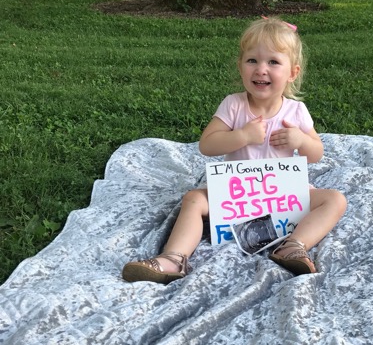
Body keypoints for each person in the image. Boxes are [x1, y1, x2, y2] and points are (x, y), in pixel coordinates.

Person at [122, 17, 347, 284]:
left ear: (292, 73)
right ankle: (174, 258)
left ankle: (293, 246)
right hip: (236, 197)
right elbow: (207, 145)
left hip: (282, 198)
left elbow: (316, 154)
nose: (261, 70)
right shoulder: (234, 105)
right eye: (252, 60)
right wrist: (242, 136)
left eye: (273, 62)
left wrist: (300, 141)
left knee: (335, 200)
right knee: (194, 199)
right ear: (240, 66)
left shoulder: (296, 111)